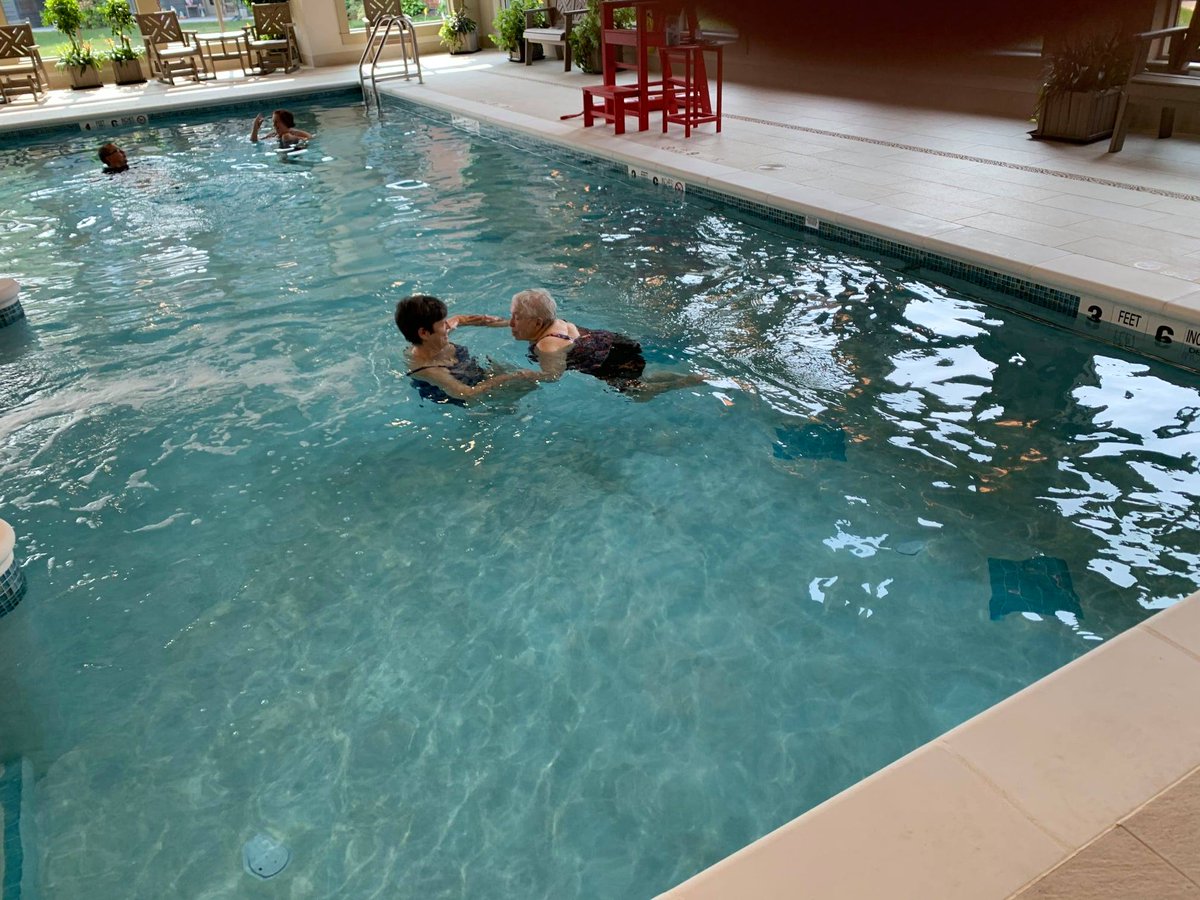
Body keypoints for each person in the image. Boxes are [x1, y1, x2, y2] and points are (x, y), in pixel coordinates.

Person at [508, 288, 703, 397]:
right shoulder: (557, 323)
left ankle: (686, 382)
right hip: (615, 343)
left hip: (605, 360)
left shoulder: (547, 345)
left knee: (640, 394)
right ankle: (695, 376)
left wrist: (524, 375)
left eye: (516, 318)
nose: (510, 323)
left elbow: (552, 377)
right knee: (641, 378)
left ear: (538, 322)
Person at [395, 294, 538, 404]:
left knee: (530, 384)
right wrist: (510, 377)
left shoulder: (432, 337)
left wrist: (510, 323)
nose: (448, 326)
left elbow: (461, 319)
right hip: (455, 395)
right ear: (424, 333)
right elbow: (468, 394)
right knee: (521, 390)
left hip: (466, 373)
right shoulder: (429, 370)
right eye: (443, 324)